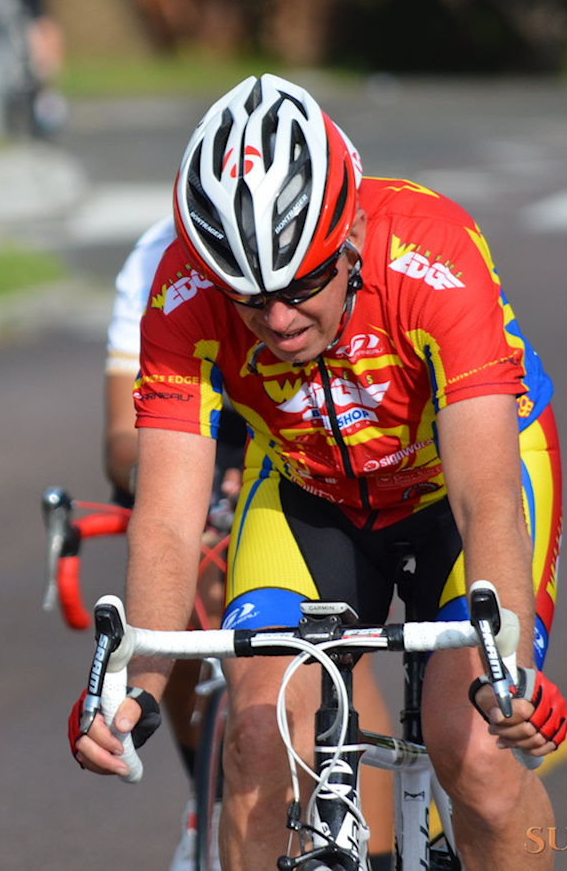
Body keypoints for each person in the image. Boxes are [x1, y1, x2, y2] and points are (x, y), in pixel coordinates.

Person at [75, 75, 567, 870]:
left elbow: (485, 498)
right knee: (257, 740)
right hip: (311, 491)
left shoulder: (434, 253)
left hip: (453, 491)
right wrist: (137, 684)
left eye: (304, 284)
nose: (278, 321)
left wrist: (505, 670)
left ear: (351, 233)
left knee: (473, 748)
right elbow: (165, 517)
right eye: (250, 299)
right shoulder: (182, 292)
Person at [103, 216, 396, 870]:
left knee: (336, 646)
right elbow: (123, 438)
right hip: (189, 432)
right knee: (184, 601)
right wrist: (180, 492)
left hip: (302, 430)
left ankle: (376, 849)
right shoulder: (158, 261)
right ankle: (210, 794)